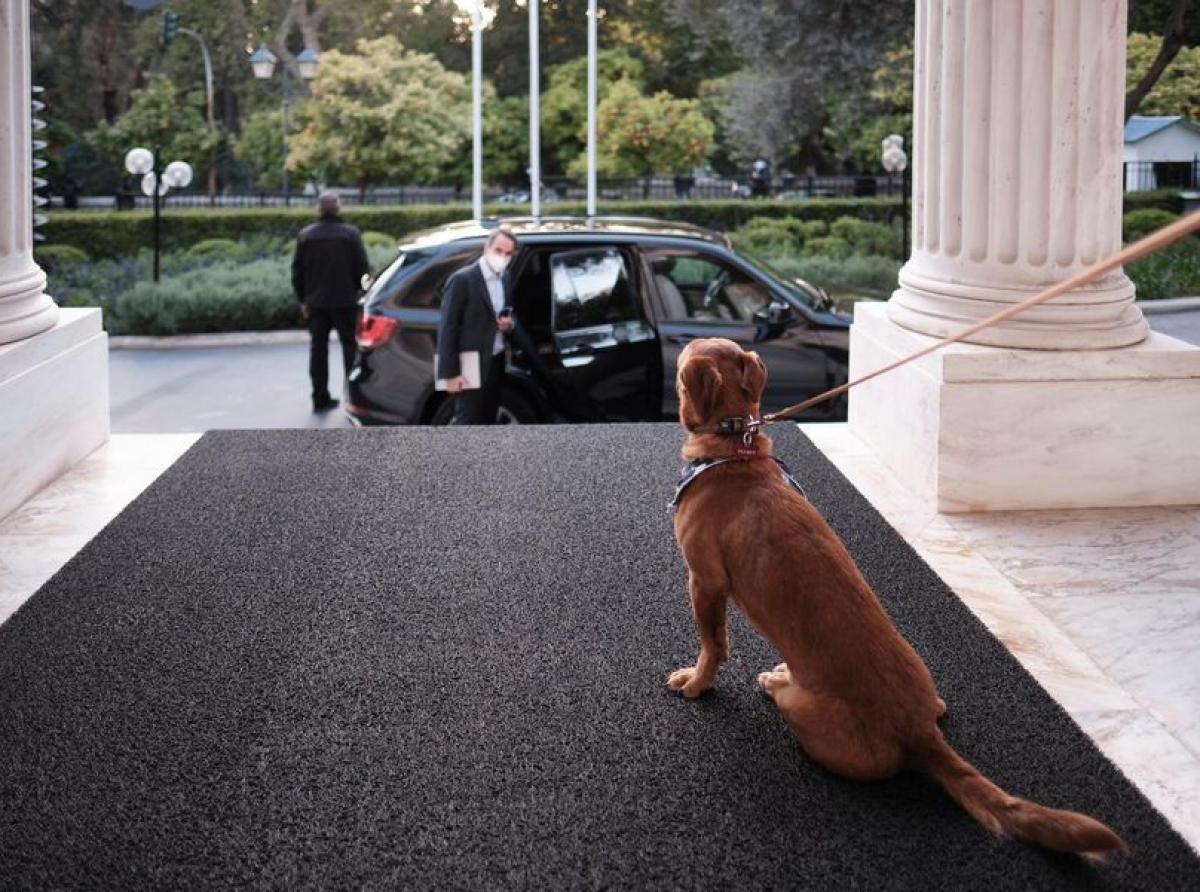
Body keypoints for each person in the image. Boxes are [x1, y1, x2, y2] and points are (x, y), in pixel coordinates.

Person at [292, 190, 369, 412]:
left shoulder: (306, 236)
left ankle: (319, 397)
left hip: (316, 303)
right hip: (345, 302)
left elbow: (297, 273)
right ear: (338, 208)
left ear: (319, 209)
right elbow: (362, 269)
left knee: (318, 350)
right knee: (350, 349)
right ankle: (352, 396)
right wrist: (360, 294)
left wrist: (303, 300)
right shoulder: (350, 235)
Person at [436, 228, 518, 424]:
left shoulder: (505, 277)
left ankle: (485, 455)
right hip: (469, 363)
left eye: (508, 254)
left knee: (489, 418)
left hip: (496, 361)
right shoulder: (463, 279)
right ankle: (461, 456)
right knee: (468, 421)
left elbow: (505, 313)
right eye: (498, 251)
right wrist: (449, 374)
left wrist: (508, 325)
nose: (503, 257)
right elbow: (448, 327)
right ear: (486, 248)